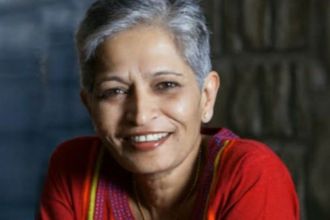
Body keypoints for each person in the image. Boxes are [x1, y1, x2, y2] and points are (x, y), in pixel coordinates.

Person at [37, 0, 300, 219]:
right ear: (90, 106)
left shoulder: (250, 174)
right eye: (114, 91)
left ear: (206, 96)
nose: (140, 114)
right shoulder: (73, 169)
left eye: (166, 85)